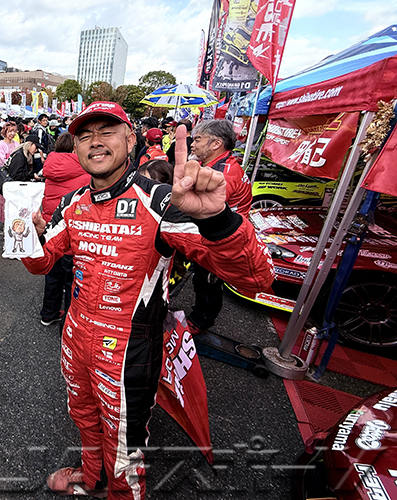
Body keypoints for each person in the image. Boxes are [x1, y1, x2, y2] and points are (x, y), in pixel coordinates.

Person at [21, 101, 273, 499]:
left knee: (124, 445)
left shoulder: (160, 201)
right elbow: (42, 264)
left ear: (130, 138)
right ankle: (91, 478)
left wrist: (217, 219)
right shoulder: (72, 204)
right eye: (85, 135)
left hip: (129, 348)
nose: (95, 142)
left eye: (106, 131)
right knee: (83, 416)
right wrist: (27, 238)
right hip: (74, 336)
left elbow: (255, 277)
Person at [186, 119, 253, 335]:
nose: (192, 144)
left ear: (216, 144)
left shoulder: (224, 172)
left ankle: (201, 320)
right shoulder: (219, 165)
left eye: (197, 139)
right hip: (220, 232)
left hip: (221, 237)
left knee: (207, 280)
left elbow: (204, 208)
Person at [38, 132, 90, 326]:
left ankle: (48, 313)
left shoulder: (49, 167)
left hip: (50, 229)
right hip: (71, 233)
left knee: (52, 274)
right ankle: (69, 321)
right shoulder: (84, 171)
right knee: (71, 281)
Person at [0, 121, 19, 223]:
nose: (12, 134)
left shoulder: (16, 144)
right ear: (5, 132)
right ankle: (3, 219)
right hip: (3, 175)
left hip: (13, 175)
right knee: (2, 199)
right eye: (10, 131)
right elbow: (0, 160)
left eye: (14, 131)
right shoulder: (1, 144)